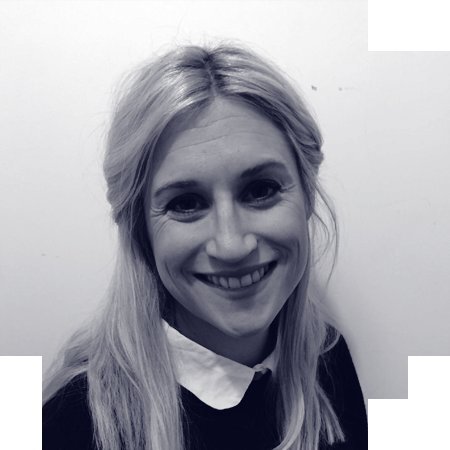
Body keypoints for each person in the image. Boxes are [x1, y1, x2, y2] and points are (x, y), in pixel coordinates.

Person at [42, 43, 367, 450]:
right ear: (140, 228)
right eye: (185, 203)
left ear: (307, 197)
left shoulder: (326, 358)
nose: (231, 245)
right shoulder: (71, 427)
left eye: (261, 190)